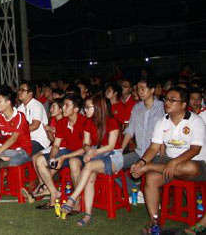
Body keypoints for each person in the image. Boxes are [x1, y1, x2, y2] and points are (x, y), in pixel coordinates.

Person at [130, 87, 206, 234]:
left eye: (173, 100)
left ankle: (151, 167)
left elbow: (195, 150)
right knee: (151, 178)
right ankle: (154, 221)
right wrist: (142, 162)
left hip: (195, 164)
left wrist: (173, 162)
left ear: (183, 104)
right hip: (168, 163)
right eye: (166, 99)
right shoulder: (162, 121)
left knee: (191, 167)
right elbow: (153, 148)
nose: (167, 103)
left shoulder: (195, 121)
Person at [60, 95, 123, 226]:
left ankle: (72, 199)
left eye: (88, 108)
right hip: (96, 154)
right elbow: (86, 144)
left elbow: (111, 146)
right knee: (89, 176)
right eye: (85, 108)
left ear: (99, 108)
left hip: (112, 156)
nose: (85, 110)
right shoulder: (88, 122)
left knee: (88, 167)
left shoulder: (112, 121)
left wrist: (92, 152)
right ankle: (88, 214)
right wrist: (89, 150)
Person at [34, 94, 86, 211]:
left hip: (82, 155)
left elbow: (85, 148)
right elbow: (56, 145)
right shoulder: (62, 122)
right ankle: (54, 193)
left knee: (73, 162)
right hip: (67, 153)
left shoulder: (84, 122)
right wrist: (52, 157)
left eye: (67, 106)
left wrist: (63, 157)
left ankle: (77, 202)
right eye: (63, 106)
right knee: (40, 160)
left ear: (76, 109)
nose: (63, 108)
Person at [121, 79, 165, 171]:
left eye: (142, 89)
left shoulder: (162, 107)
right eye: (138, 89)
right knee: (112, 164)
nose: (139, 92)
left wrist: (163, 147)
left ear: (152, 90)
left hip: (155, 154)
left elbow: (166, 130)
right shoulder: (137, 108)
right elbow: (130, 130)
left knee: (142, 170)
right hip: (139, 153)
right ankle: (131, 185)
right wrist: (120, 150)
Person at [17, 81, 50, 155]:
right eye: (19, 89)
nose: (19, 92)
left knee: (20, 152)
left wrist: (18, 131)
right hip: (26, 139)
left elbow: (35, 125)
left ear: (30, 93)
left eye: (22, 90)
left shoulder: (36, 105)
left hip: (39, 140)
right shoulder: (20, 108)